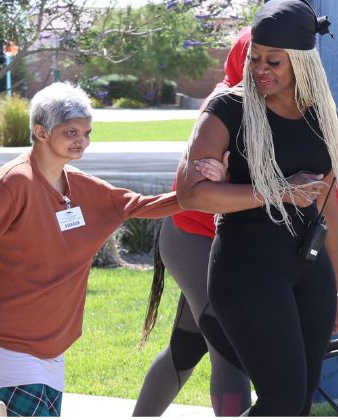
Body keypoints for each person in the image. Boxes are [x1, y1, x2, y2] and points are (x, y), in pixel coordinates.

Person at [0, 82, 225, 417]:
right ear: (40, 132)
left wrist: (205, 187)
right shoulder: (12, 184)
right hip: (6, 343)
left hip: (53, 345)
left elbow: (140, 205)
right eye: (70, 132)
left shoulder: (78, 185)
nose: (81, 141)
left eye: (86, 132)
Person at [176, 0, 338, 415]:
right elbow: (192, 194)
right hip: (247, 268)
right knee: (283, 400)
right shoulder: (228, 110)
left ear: (302, 62)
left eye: (274, 61)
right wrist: (278, 191)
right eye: (255, 58)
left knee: (299, 399)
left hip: (309, 269)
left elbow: (327, 204)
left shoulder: (320, 115)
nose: (260, 69)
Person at [133, 27, 253, 417]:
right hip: (194, 238)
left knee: (186, 350)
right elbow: (202, 187)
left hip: (224, 242)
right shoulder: (223, 104)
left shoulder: (275, 104)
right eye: (259, 58)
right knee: (229, 350)